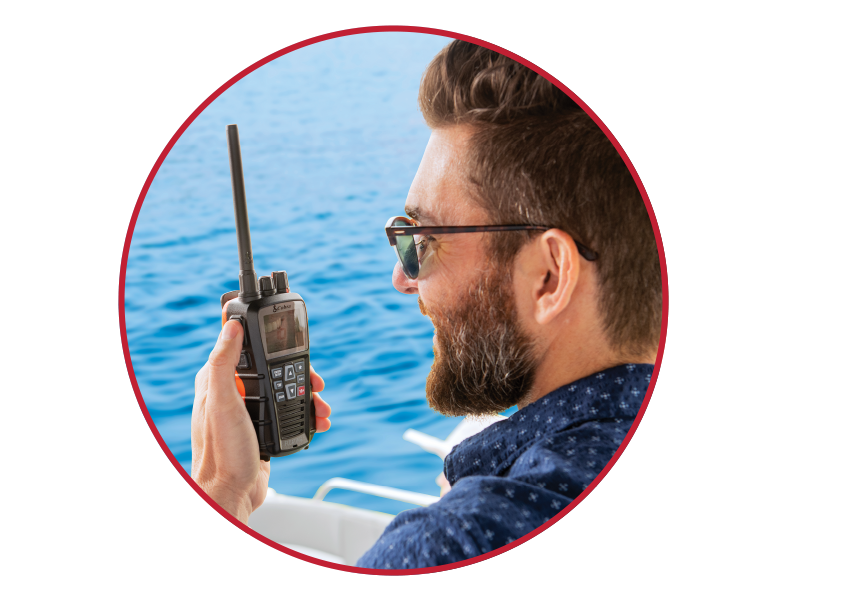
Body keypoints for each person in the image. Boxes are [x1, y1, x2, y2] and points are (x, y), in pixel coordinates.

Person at [191, 40, 661, 569]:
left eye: (423, 240)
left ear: (549, 276)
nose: (401, 277)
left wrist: (221, 493)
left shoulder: (448, 546)